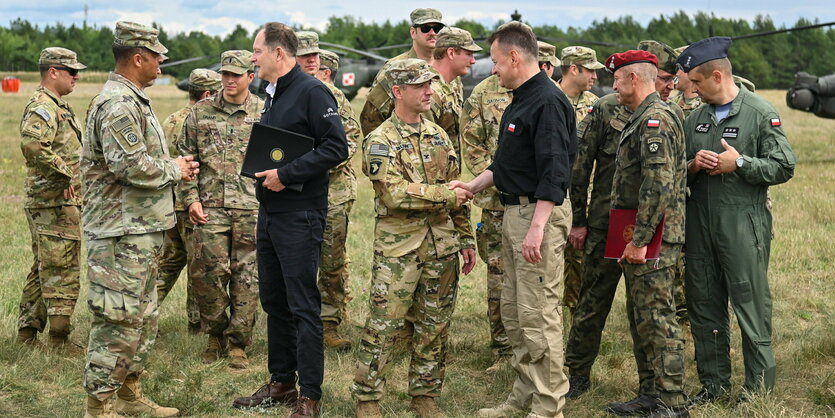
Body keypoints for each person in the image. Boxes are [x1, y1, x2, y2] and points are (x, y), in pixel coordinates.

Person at [455, 22, 576, 418]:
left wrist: (538, 227)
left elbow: (555, 172)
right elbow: (507, 164)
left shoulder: (547, 102)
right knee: (515, 310)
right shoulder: (520, 98)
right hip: (514, 211)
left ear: (514, 57)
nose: (492, 70)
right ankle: (523, 396)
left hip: (536, 213)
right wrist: (472, 186)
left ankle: (548, 406)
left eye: (494, 62)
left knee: (538, 313)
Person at [81, 21, 199, 418]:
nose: (162, 60)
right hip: (119, 234)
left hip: (139, 230)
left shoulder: (134, 100)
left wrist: (170, 165)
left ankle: (129, 393)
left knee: (143, 318)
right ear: (137, 58)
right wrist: (175, 169)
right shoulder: (117, 104)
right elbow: (128, 165)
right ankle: (98, 406)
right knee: (117, 320)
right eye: (156, 55)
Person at [232, 22, 348, 418]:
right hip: (271, 213)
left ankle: (310, 395)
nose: (253, 58)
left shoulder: (312, 91)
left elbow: (337, 146)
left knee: (302, 305)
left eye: (257, 51)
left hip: (300, 214)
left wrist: (287, 174)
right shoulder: (274, 92)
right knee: (274, 301)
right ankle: (282, 381)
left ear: (279, 53)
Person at [352, 58, 476, 418]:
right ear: (397, 92)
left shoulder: (438, 135)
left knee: (435, 326)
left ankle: (425, 394)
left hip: (442, 246)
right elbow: (393, 193)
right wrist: (445, 196)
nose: (429, 91)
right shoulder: (379, 141)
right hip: (398, 250)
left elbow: (457, 191)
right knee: (384, 325)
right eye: (420, 86)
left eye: (430, 85)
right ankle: (368, 397)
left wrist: (466, 240)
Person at [676, 37, 795, 406]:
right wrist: (694, 166)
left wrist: (740, 164)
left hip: (743, 226)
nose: (690, 90)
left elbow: (784, 165)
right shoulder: (695, 117)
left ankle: (758, 388)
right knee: (704, 304)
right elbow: (677, 174)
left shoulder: (760, 113)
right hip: (700, 227)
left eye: (696, 82)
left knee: (750, 303)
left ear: (716, 75)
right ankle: (713, 385)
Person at [603, 50, 688, 418]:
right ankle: (650, 395)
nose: (614, 87)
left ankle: (672, 403)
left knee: (658, 319)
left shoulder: (655, 120)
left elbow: (658, 186)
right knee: (642, 317)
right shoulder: (643, 117)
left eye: (618, 80)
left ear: (634, 79)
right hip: (641, 236)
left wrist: (639, 241)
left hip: (654, 240)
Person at [177, 50, 264, 369]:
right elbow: (185, 158)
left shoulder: (264, 111)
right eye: (225, 74)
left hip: (250, 208)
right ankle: (214, 333)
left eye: (236, 75)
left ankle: (238, 342)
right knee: (208, 274)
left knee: (247, 274)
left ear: (250, 77)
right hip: (209, 207)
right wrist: (191, 199)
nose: (229, 80)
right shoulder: (200, 112)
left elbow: (276, 161)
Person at [17, 47, 86, 352]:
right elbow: (33, 144)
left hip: (55, 200)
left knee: (44, 264)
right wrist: (66, 175)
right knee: (62, 266)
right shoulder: (43, 106)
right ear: (53, 72)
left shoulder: (59, 106)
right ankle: (59, 340)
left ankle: (27, 333)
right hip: (52, 200)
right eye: (71, 71)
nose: (77, 77)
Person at [158, 68, 221, 335]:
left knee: (169, 262)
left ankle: (143, 310)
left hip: (168, 203)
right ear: (207, 94)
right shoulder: (203, 121)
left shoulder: (171, 120)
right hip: (192, 204)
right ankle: (197, 322)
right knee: (200, 263)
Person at [459, 74, 513, 369]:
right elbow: (471, 142)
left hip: (534, 202)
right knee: (499, 276)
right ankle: (503, 349)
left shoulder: (544, 92)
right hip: (495, 201)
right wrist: (495, 178)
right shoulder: (483, 92)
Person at [314, 49, 362, 351]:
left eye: (312, 57)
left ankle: (328, 323)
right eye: (301, 56)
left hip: (332, 192)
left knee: (331, 260)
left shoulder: (332, 96)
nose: (308, 62)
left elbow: (351, 138)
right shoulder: (280, 93)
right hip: (291, 193)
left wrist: (312, 164)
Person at [557, 45, 604, 317]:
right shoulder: (550, 98)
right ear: (573, 69)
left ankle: (576, 313)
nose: (595, 77)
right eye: (590, 70)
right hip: (553, 193)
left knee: (580, 259)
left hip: (585, 194)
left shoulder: (596, 105)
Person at [360, 8, 446, 135]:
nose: (433, 33)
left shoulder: (448, 67)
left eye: (437, 29)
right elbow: (371, 117)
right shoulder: (395, 68)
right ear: (413, 32)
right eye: (425, 28)